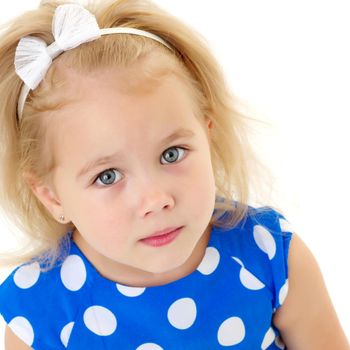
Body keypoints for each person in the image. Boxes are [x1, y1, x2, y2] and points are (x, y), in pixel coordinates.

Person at [0, 1, 348, 349]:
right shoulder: (39, 312)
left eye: (172, 154)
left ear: (207, 135)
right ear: (52, 196)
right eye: (107, 176)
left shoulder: (269, 255)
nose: (156, 200)